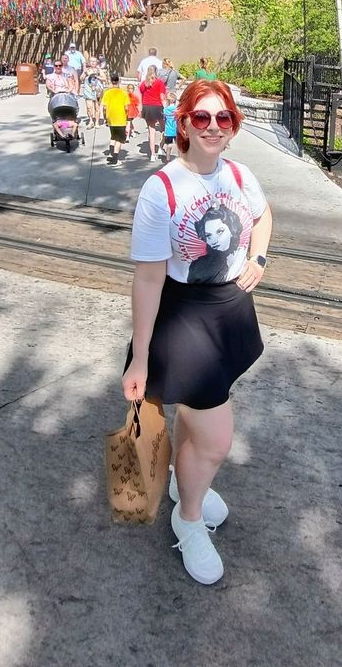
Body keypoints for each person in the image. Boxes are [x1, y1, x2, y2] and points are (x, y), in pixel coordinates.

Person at [123, 79, 273, 586]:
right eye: (202, 117)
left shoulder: (237, 173)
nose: (213, 126)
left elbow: (262, 214)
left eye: (223, 118)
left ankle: (182, 487)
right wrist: (140, 357)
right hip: (184, 317)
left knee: (195, 413)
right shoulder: (162, 189)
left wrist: (257, 256)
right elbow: (147, 278)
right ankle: (187, 522)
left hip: (229, 310)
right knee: (216, 440)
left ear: (234, 127)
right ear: (182, 123)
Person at [102, 73, 130, 168]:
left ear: (111, 81)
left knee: (113, 136)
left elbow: (104, 107)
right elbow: (126, 107)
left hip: (111, 118)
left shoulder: (107, 93)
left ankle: (111, 153)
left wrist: (106, 117)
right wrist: (126, 116)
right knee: (119, 139)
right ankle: (115, 158)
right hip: (120, 118)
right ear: (119, 81)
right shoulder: (123, 93)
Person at [139, 66, 167, 163]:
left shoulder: (144, 83)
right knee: (164, 128)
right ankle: (160, 147)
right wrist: (166, 108)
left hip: (147, 107)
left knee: (151, 131)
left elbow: (142, 95)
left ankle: (152, 155)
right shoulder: (159, 82)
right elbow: (162, 97)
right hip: (157, 106)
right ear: (156, 72)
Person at [81, 57, 106, 129]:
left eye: (94, 61)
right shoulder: (87, 70)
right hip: (88, 90)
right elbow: (81, 78)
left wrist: (97, 76)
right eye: (91, 61)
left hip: (97, 91)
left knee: (97, 107)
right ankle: (91, 121)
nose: (93, 63)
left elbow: (104, 78)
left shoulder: (99, 70)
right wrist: (85, 73)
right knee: (89, 107)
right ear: (89, 62)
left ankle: (97, 122)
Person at [162, 91, 177, 162]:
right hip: (176, 130)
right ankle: (181, 158)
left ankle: (168, 158)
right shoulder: (177, 109)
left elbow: (164, 119)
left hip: (168, 130)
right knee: (179, 145)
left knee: (169, 145)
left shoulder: (165, 110)